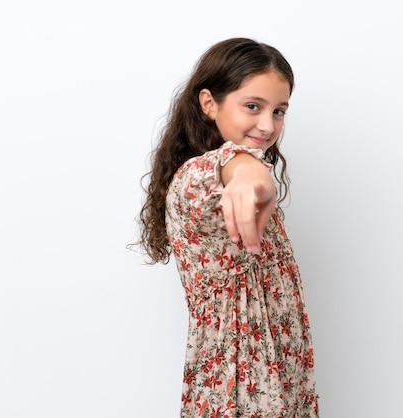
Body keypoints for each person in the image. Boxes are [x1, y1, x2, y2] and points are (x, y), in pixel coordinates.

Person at [135, 37, 319, 417]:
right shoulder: (195, 179)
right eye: (253, 106)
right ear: (208, 103)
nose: (268, 125)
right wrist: (248, 170)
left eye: (279, 111)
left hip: (281, 375)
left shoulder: (241, 180)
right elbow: (228, 167)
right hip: (239, 385)